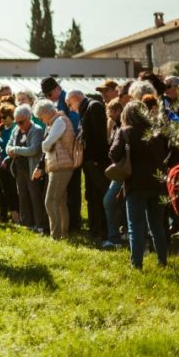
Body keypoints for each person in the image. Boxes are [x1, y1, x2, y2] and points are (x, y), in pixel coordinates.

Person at [109, 101, 169, 270]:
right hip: (158, 182)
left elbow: (113, 154)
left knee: (135, 226)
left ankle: (136, 264)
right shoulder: (156, 132)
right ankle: (162, 261)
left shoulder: (126, 132)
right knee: (157, 225)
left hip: (136, 183)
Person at [66, 89, 109, 242]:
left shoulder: (94, 107)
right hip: (89, 161)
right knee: (91, 197)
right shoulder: (86, 109)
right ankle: (95, 230)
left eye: (71, 104)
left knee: (99, 196)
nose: (71, 108)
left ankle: (103, 231)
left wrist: (95, 159)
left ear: (77, 98)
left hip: (96, 162)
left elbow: (99, 136)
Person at [41, 77, 82, 233]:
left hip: (69, 155)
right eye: (46, 96)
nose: (49, 98)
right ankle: (67, 227)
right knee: (62, 197)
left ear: (58, 88)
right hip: (60, 156)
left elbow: (75, 128)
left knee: (72, 192)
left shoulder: (66, 101)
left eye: (50, 94)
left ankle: (74, 225)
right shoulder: (56, 103)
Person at [33, 99, 75, 240]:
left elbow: (46, 145)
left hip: (61, 166)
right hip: (59, 165)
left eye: (41, 117)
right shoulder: (56, 121)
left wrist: (45, 144)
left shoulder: (59, 122)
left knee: (50, 201)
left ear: (47, 112)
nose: (41, 120)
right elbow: (47, 145)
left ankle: (55, 236)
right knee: (60, 202)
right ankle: (64, 234)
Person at [6, 104, 46, 233]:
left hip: (32, 169)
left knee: (35, 197)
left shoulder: (37, 130)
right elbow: (8, 146)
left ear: (29, 117)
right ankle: (27, 223)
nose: (18, 124)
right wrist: (12, 150)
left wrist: (15, 150)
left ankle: (40, 225)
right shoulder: (16, 130)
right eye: (16, 122)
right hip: (18, 169)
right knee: (22, 196)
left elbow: (33, 150)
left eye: (21, 122)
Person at [102, 98, 126, 249]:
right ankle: (118, 235)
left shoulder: (123, 128)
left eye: (111, 111)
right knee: (112, 201)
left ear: (119, 111)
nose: (109, 114)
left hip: (123, 170)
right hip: (118, 170)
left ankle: (114, 237)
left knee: (109, 200)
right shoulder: (116, 127)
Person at [0, 103, 19, 223]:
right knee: (2, 189)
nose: (2, 120)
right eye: (0, 118)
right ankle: (3, 214)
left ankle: (16, 213)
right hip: (1, 163)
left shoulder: (15, 128)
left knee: (12, 189)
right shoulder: (1, 129)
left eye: (4, 117)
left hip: (12, 163)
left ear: (11, 116)